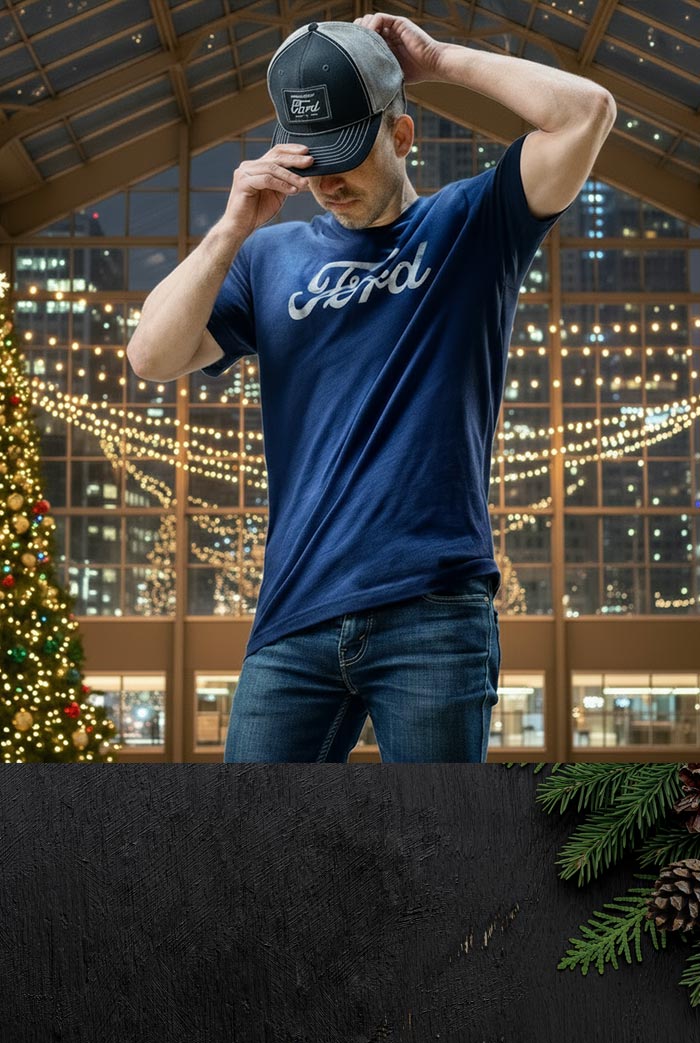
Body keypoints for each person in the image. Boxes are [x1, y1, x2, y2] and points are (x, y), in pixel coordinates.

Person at [127, 13, 616, 764]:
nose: (328, 182)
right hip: (294, 614)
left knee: (437, 862)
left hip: (433, 614)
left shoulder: (471, 228)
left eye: (347, 157)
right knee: (243, 858)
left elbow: (587, 111)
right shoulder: (268, 257)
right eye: (312, 160)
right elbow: (151, 356)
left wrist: (440, 57)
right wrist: (230, 228)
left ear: (403, 136)